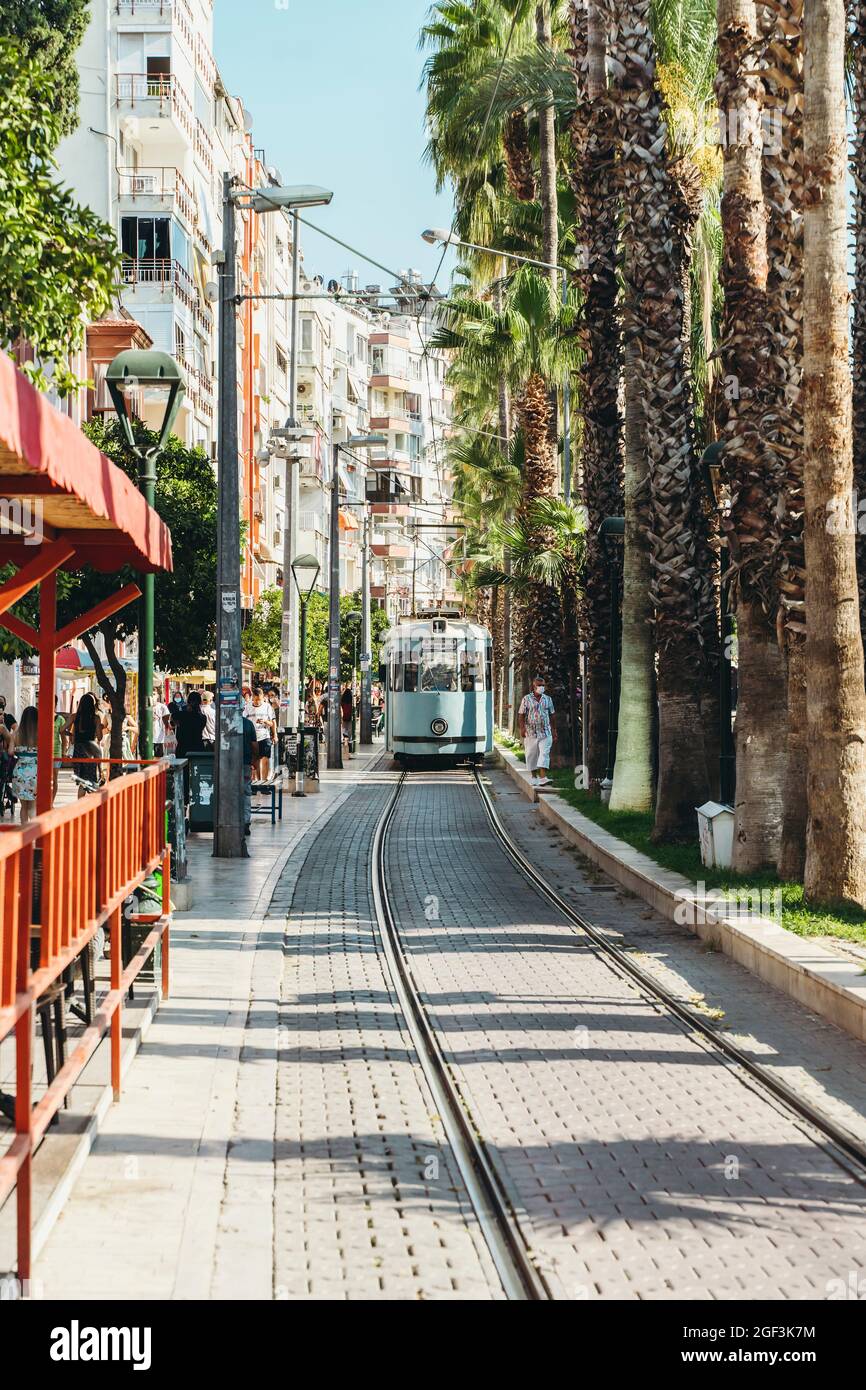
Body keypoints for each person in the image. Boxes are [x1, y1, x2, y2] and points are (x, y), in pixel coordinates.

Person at [518, 675, 556, 789]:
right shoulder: (526, 699)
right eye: (539, 685)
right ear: (533, 686)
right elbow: (521, 714)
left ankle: (543, 778)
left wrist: (554, 730)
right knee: (531, 755)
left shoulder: (548, 699)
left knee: (544, 753)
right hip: (531, 733)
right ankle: (534, 778)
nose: (541, 687)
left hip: (545, 732)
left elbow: (552, 714)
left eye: (543, 685)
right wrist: (522, 728)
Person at [71, 693, 104, 794]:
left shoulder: (74, 717)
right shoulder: (96, 718)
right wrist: (100, 728)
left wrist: (72, 734)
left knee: (81, 781)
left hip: (78, 749)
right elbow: (100, 737)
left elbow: (62, 729)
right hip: (90, 749)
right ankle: (91, 806)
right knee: (90, 780)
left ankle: (80, 804)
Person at [11, 706, 38, 823]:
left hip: (20, 772)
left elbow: (10, 752)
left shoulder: (17, 733)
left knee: (23, 807)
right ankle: (34, 833)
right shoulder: (41, 732)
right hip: (35, 772)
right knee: (32, 807)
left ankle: (24, 832)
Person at [245, 688, 276, 780]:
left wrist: (266, 722)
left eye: (259, 699)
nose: (257, 702)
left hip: (264, 735)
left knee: (265, 758)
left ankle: (265, 781)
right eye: (255, 699)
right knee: (255, 759)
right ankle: (257, 780)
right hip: (252, 737)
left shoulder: (267, 707)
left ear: (263, 697)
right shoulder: (247, 707)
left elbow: (272, 723)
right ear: (252, 698)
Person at [172, 689, 206, 758]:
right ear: (200, 702)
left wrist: (177, 725)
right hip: (197, 747)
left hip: (183, 748)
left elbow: (172, 716)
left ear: (188, 702)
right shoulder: (202, 717)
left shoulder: (181, 715)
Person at [241, 711, 258, 837]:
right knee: (246, 793)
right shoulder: (248, 724)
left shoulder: (225, 723)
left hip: (229, 765)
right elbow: (254, 745)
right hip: (246, 763)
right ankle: (246, 821)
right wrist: (254, 760)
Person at [151, 687, 170, 757]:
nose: (152, 696)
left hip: (159, 739)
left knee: (158, 759)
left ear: (157, 695)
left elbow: (167, 723)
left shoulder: (163, 707)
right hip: (147, 739)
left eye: (154, 694)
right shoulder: (145, 707)